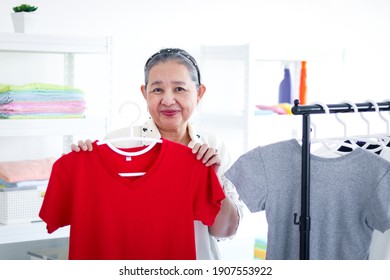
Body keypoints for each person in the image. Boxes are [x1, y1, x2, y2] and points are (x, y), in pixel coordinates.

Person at [71, 48, 243, 260]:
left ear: (199, 93)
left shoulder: (215, 147)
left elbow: (224, 230)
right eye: (157, 90)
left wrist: (212, 181)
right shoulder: (118, 145)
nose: (168, 101)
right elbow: (97, 223)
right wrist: (85, 170)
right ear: (145, 93)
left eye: (179, 89)